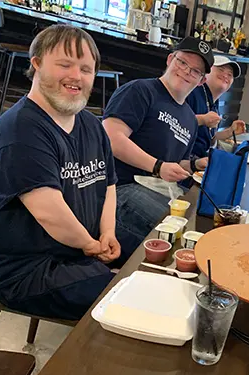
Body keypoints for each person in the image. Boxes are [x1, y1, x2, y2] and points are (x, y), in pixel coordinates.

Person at [0, 25, 119, 320]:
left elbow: (108, 184)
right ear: (36, 64)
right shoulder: (20, 130)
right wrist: (91, 246)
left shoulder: (91, 125)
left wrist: (107, 232)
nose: (76, 76)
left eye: (86, 69)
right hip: (25, 268)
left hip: (76, 248)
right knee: (123, 301)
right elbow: (49, 213)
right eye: (64, 65)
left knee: (154, 256)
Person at [102, 37, 213, 262]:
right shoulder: (140, 90)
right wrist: (157, 166)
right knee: (180, 235)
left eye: (195, 71)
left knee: (198, 225)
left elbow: (174, 162)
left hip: (158, 190)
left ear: (201, 81)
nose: (186, 72)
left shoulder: (190, 119)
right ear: (170, 59)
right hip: (120, 189)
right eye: (182, 63)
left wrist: (194, 165)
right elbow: (111, 137)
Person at [187, 55, 247, 159]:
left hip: (201, 158)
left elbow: (209, 138)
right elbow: (176, 122)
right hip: (185, 160)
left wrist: (230, 131)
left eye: (230, 74)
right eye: (221, 69)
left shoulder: (213, 101)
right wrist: (202, 119)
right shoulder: (193, 92)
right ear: (206, 72)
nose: (226, 75)